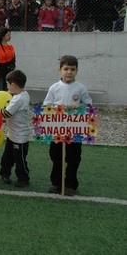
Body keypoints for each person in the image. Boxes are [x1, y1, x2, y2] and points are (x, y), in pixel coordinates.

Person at [43, 55, 92, 196]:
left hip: (74, 130)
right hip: (57, 130)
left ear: (77, 71)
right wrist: (56, 109)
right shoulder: (54, 88)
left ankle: (70, 184)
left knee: (73, 158)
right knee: (56, 157)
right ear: (59, 70)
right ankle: (56, 183)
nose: (69, 72)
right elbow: (47, 105)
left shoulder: (80, 88)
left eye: (72, 69)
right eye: (66, 69)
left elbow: (89, 104)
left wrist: (80, 105)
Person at [0, 69, 31, 187]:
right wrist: (10, 92)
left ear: (13, 85)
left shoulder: (19, 99)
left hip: (20, 137)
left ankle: (24, 178)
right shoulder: (23, 93)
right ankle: (4, 174)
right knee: (7, 156)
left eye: (8, 84)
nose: (7, 87)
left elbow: (6, 114)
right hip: (12, 134)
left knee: (20, 159)